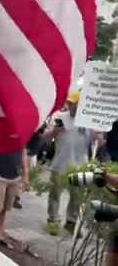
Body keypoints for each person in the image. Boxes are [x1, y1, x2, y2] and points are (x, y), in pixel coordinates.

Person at [43, 91, 101, 235]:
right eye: (69, 103)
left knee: (76, 198)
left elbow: (98, 141)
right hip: (59, 164)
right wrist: (54, 132)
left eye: (73, 103)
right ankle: (53, 221)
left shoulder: (89, 122)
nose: (70, 105)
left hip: (80, 167)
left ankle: (71, 221)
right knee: (55, 195)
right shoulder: (60, 118)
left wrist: (99, 135)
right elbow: (44, 138)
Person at [0, 148, 29, 249]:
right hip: (0, 175)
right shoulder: (2, 133)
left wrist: (25, 175)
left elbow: (23, 156)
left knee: (4, 208)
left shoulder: (21, 136)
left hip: (14, 177)